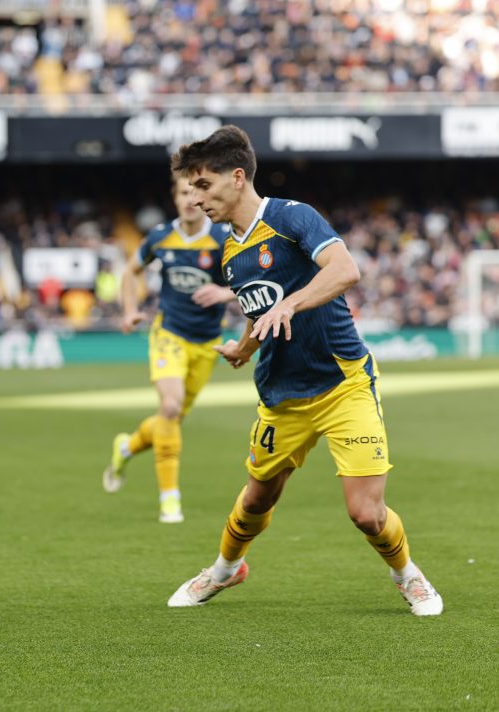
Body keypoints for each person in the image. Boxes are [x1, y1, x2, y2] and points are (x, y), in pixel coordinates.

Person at [164, 125, 442, 615]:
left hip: (342, 385)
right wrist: (245, 348)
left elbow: (345, 269)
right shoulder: (230, 250)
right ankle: (225, 570)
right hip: (282, 394)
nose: (196, 198)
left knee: (366, 514)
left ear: (236, 177)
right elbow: (259, 307)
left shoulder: (291, 217)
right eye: (191, 188)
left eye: (203, 185)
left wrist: (291, 304)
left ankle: (408, 575)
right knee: (256, 500)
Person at [102, 175, 236, 524]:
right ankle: (169, 499)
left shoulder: (222, 237)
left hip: (208, 342)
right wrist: (130, 310)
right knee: (171, 406)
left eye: (196, 193)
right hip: (169, 333)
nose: (190, 200)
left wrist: (224, 293)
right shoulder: (161, 236)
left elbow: (251, 282)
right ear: (174, 199)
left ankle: (127, 447)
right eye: (183, 193)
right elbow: (131, 272)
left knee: (169, 418)